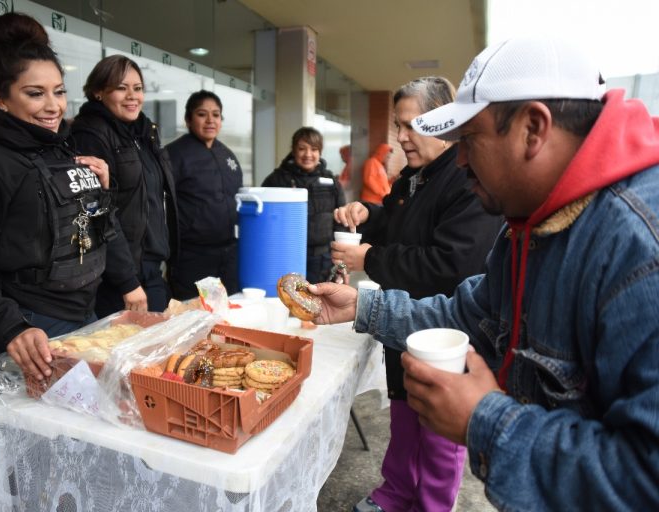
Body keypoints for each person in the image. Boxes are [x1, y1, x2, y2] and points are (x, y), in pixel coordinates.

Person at [311, 37, 659, 510]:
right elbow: (467, 313)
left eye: (470, 140)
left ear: (533, 129)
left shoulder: (639, 246)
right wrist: (364, 305)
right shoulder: (532, 223)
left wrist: (483, 421)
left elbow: (644, 476)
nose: (459, 161)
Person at [0, 12, 145, 382]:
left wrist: (102, 191)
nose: (53, 106)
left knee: (90, 428)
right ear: (0, 98)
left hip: (85, 316)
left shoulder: (64, 153)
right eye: (35, 93)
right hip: (31, 331)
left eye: (59, 91)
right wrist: (11, 327)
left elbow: (97, 227)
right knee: (49, 436)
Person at [335, 77, 502, 512]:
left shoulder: (466, 181)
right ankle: (396, 492)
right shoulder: (414, 177)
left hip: (445, 331)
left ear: (446, 123)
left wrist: (371, 260)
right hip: (404, 319)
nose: (401, 137)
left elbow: (451, 266)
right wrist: (367, 213)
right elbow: (394, 223)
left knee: (439, 435)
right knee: (404, 413)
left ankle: (430, 505)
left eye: (412, 126)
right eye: (398, 125)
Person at [72, 55, 178, 315]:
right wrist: (126, 280)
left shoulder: (143, 133)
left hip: (150, 269)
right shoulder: (91, 134)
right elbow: (96, 212)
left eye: (138, 88)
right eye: (121, 87)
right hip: (118, 279)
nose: (132, 96)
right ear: (98, 92)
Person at [165, 90, 242, 300]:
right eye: (202, 114)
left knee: (231, 313)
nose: (210, 120)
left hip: (229, 255)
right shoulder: (173, 155)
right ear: (188, 119)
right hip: (193, 257)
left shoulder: (228, 155)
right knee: (196, 316)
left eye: (216, 115)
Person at [261, 127, 346, 283]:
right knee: (286, 302)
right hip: (285, 256)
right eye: (302, 149)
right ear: (293, 151)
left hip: (322, 259)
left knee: (318, 304)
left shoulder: (331, 182)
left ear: (320, 152)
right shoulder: (276, 180)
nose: (308, 154)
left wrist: (342, 264)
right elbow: (263, 221)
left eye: (314, 149)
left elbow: (342, 222)